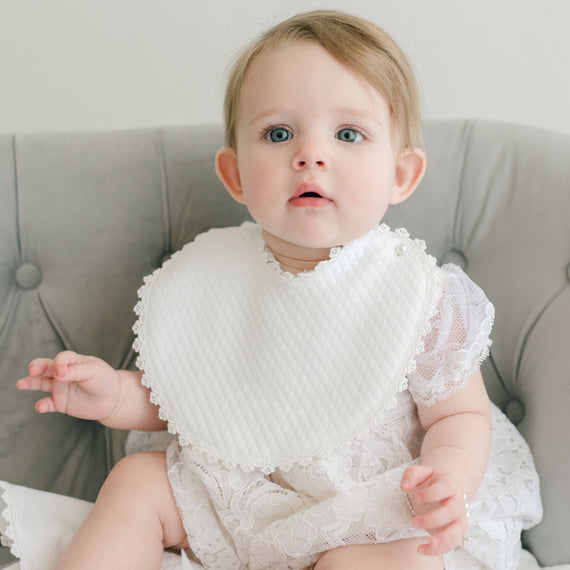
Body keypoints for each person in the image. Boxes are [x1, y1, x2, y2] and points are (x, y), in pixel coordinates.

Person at [4, 9, 542, 570]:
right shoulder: (214, 280)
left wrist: (447, 479)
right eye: (278, 133)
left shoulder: (422, 297)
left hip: (370, 507)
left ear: (401, 175)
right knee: (137, 482)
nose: (311, 154)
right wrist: (113, 394)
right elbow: (189, 398)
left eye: (349, 133)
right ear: (235, 174)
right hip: (244, 496)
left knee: (388, 559)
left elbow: (459, 417)